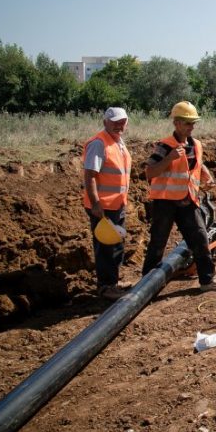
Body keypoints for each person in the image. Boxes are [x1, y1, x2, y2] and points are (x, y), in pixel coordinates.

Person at [142, 101, 216, 292]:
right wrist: (169, 158)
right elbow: (150, 172)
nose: (192, 127)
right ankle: (145, 286)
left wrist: (207, 176)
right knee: (158, 242)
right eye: (188, 123)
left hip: (188, 200)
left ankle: (207, 280)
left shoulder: (195, 144)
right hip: (165, 202)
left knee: (200, 238)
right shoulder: (165, 146)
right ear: (177, 123)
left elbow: (197, 164)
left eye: (193, 123)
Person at [83, 107, 133, 301]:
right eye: (115, 122)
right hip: (103, 207)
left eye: (122, 122)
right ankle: (106, 287)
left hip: (117, 204)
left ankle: (113, 282)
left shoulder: (118, 141)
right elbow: (90, 176)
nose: (119, 126)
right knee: (105, 247)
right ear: (105, 122)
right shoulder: (99, 143)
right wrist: (95, 203)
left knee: (116, 244)